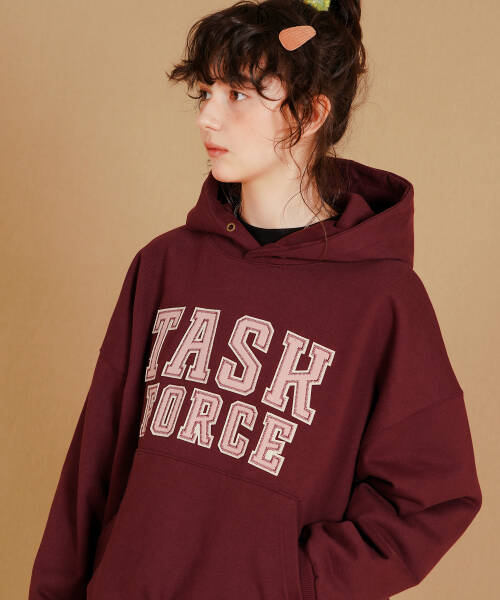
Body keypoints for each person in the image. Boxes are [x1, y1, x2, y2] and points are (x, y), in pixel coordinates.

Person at [29, 1, 482, 599]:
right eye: (205, 92)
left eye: (239, 94)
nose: (207, 117)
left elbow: (430, 496)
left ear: (311, 112)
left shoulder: (383, 300)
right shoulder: (166, 265)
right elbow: (93, 463)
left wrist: (297, 580)